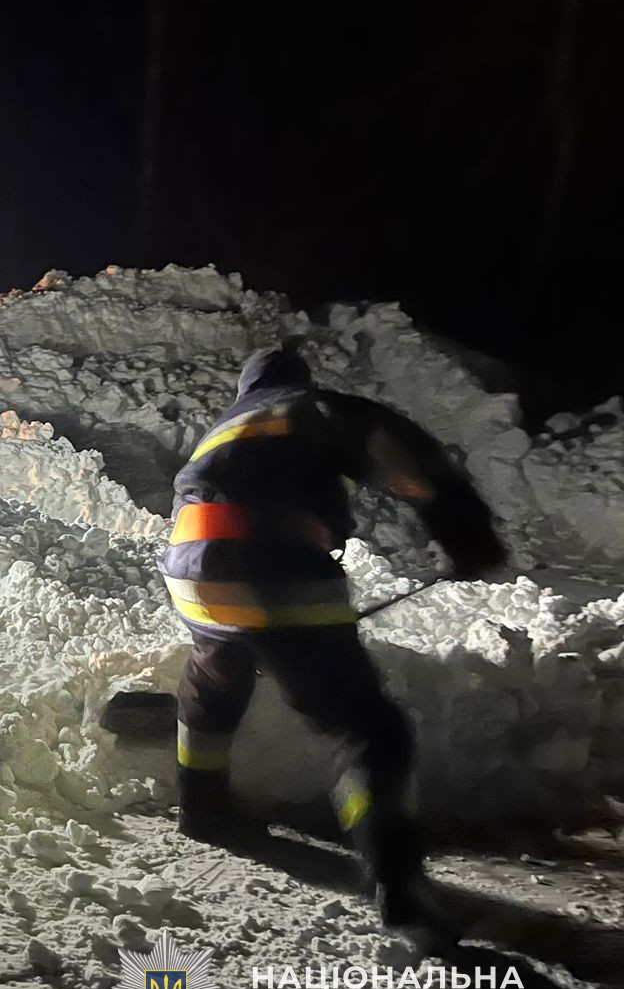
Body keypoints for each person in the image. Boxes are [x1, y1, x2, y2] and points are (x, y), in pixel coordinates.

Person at [160, 346, 506, 929]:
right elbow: (408, 463)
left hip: (190, 571)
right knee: (370, 727)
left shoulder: (225, 428)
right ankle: (395, 881)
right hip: (274, 560)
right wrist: (467, 535)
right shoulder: (307, 407)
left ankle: (201, 809)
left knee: (218, 672)